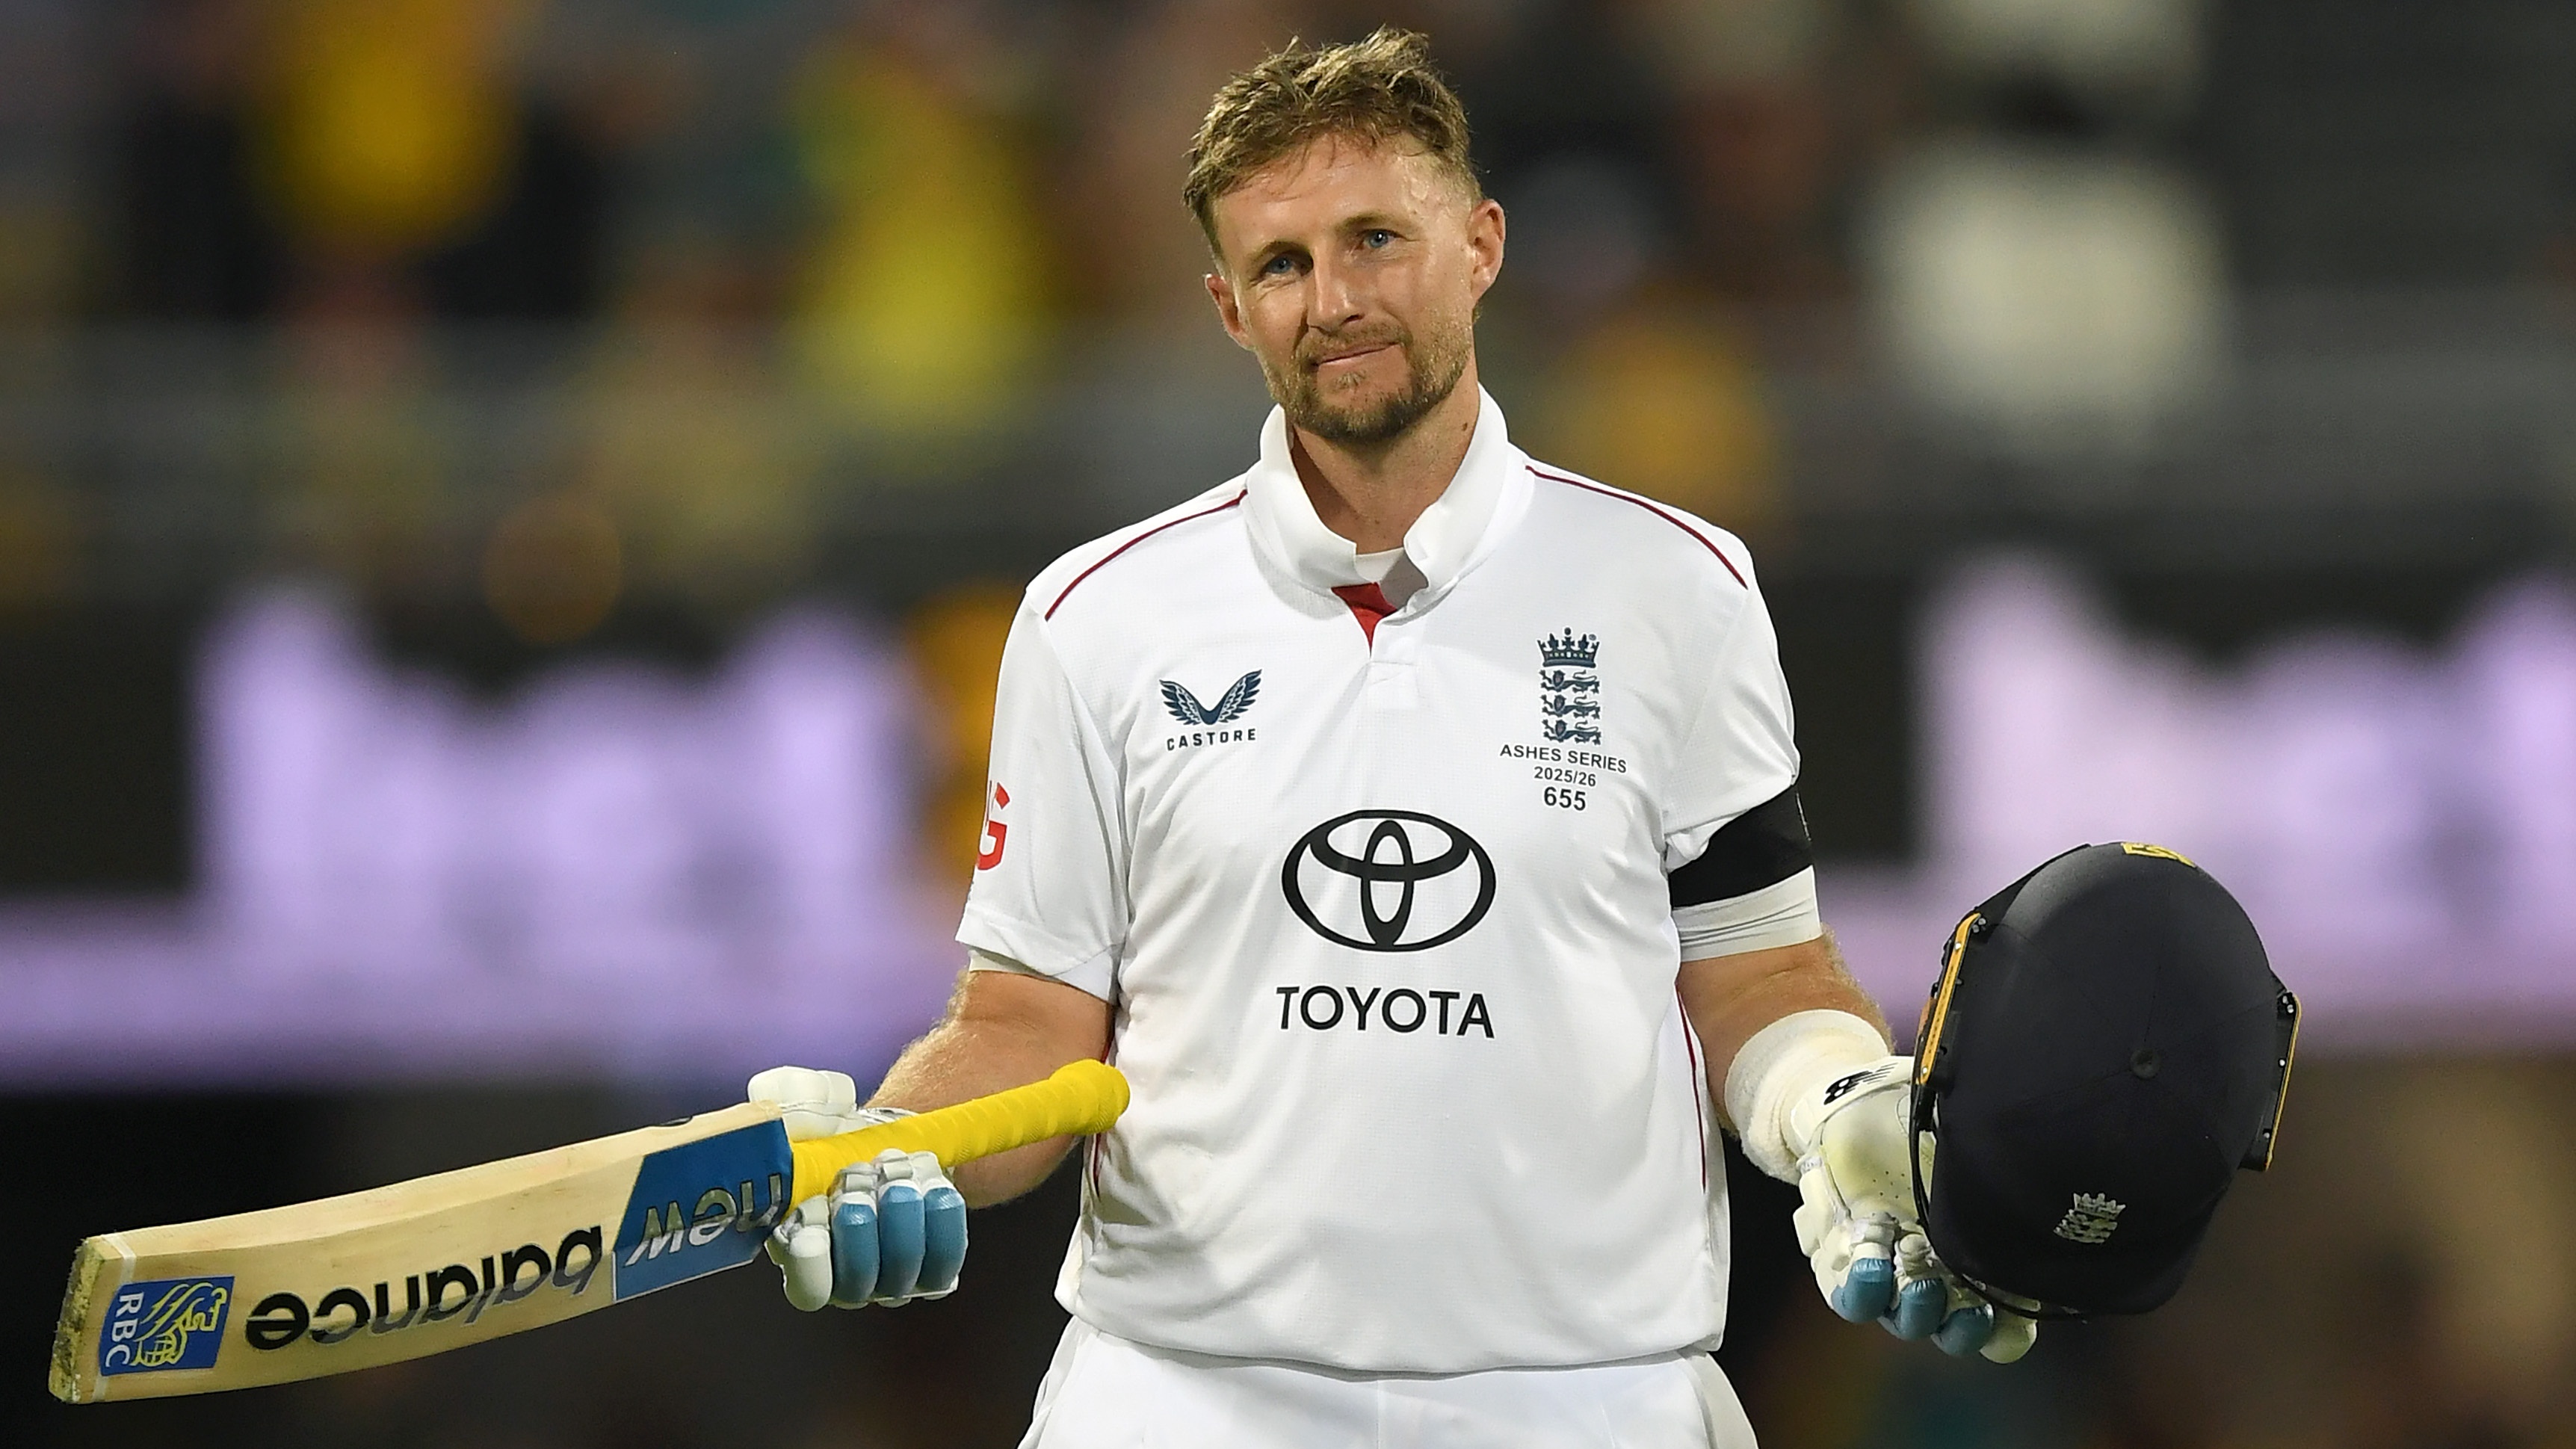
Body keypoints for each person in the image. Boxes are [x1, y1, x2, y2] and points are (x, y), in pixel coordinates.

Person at [753, 28, 2030, 1448]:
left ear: (1481, 244)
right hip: (1179, 1398)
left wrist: (1842, 1109)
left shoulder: (1682, 588)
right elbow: (1025, 1029)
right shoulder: (1094, 616)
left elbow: (1758, 978)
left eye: (1376, 238)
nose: (1335, 299)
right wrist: (888, 1148)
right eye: (1281, 263)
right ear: (1228, 309)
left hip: (1591, 1398)